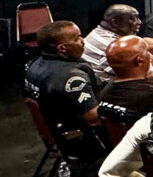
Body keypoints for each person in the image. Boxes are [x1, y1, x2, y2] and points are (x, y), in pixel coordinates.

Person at [25, 21, 108, 159]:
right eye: (77, 38)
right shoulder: (71, 77)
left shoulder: (34, 65)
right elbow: (93, 118)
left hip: (55, 130)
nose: (83, 41)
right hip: (80, 140)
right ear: (62, 48)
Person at [82, 4, 153, 82]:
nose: (139, 22)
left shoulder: (100, 33)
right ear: (115, 22)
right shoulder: (112, 47)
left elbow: (150, 58)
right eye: (133, 18)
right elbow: (147, 77)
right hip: (112, 91)